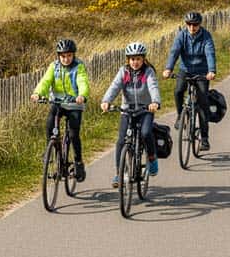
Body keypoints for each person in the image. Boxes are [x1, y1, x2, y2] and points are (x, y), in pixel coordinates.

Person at [101, 42, 161, 188]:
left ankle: (152, 159)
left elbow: (153, 86)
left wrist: (155, 102)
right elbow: (114, 87)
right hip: (127, 110)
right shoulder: (123, 72)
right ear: (128, 60)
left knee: (146, 132)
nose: (135, 62)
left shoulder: (148, 72)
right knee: (121, 141)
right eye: (132, 59)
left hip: (145, 110)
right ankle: (119, 173)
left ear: (143, 59)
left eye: (138, 59)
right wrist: (106, 101)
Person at [32, 38, 90, 182]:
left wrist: (82, 95)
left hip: (74, 105)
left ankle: (78, 162)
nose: (66, 59)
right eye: (63, 56)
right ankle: (50, 152)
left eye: (69, 55)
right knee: (49, 125)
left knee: (73, 133)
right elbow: (45, 81)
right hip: (57, 102)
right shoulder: (54, 66)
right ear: (58, 56)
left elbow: (83, 82)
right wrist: (38, 93)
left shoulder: (79, 67)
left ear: (73, 55)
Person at [162, 11, 216, 151]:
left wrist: (211, 70)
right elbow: (174, 52)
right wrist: (168, 68)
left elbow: (210, 53)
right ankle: (180, 115)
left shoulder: (206, 36)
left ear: (200, 24)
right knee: (178, 90)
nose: (192, 27)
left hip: (202, 71)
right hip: (185, 70)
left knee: (203, 103)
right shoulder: (182, 36)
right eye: (189, 24)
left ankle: (204, 138)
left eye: (195, 25)